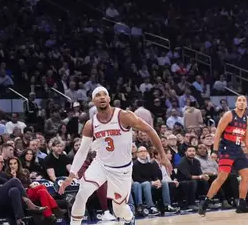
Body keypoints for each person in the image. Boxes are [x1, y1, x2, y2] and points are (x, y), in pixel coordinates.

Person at [58, 86, 170, 225]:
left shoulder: (124, 116)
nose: (102, 97)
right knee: (82, 193)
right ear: (93, 100)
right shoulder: (90, 124)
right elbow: (82, 151)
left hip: (121, 169)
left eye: (104, 94)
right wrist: (71, 175)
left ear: (109, 98)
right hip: (101, 164)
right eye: (98, 95)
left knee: (119, 210)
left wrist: (163, 156)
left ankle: (130, 219)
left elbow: (150, 130)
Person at [198, 95, 248, 216]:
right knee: (222, 178)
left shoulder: (247, 119)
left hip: (238, 150)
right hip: (226, 149)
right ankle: (205, 202)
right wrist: (214, 151)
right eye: (239, 100)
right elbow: (218, 133)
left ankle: (241, 205)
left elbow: (246, 139)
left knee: (246, 176)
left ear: (246, 104)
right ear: (235, 103)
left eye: (244, 100)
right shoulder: (229, 115)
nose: (241, 103)